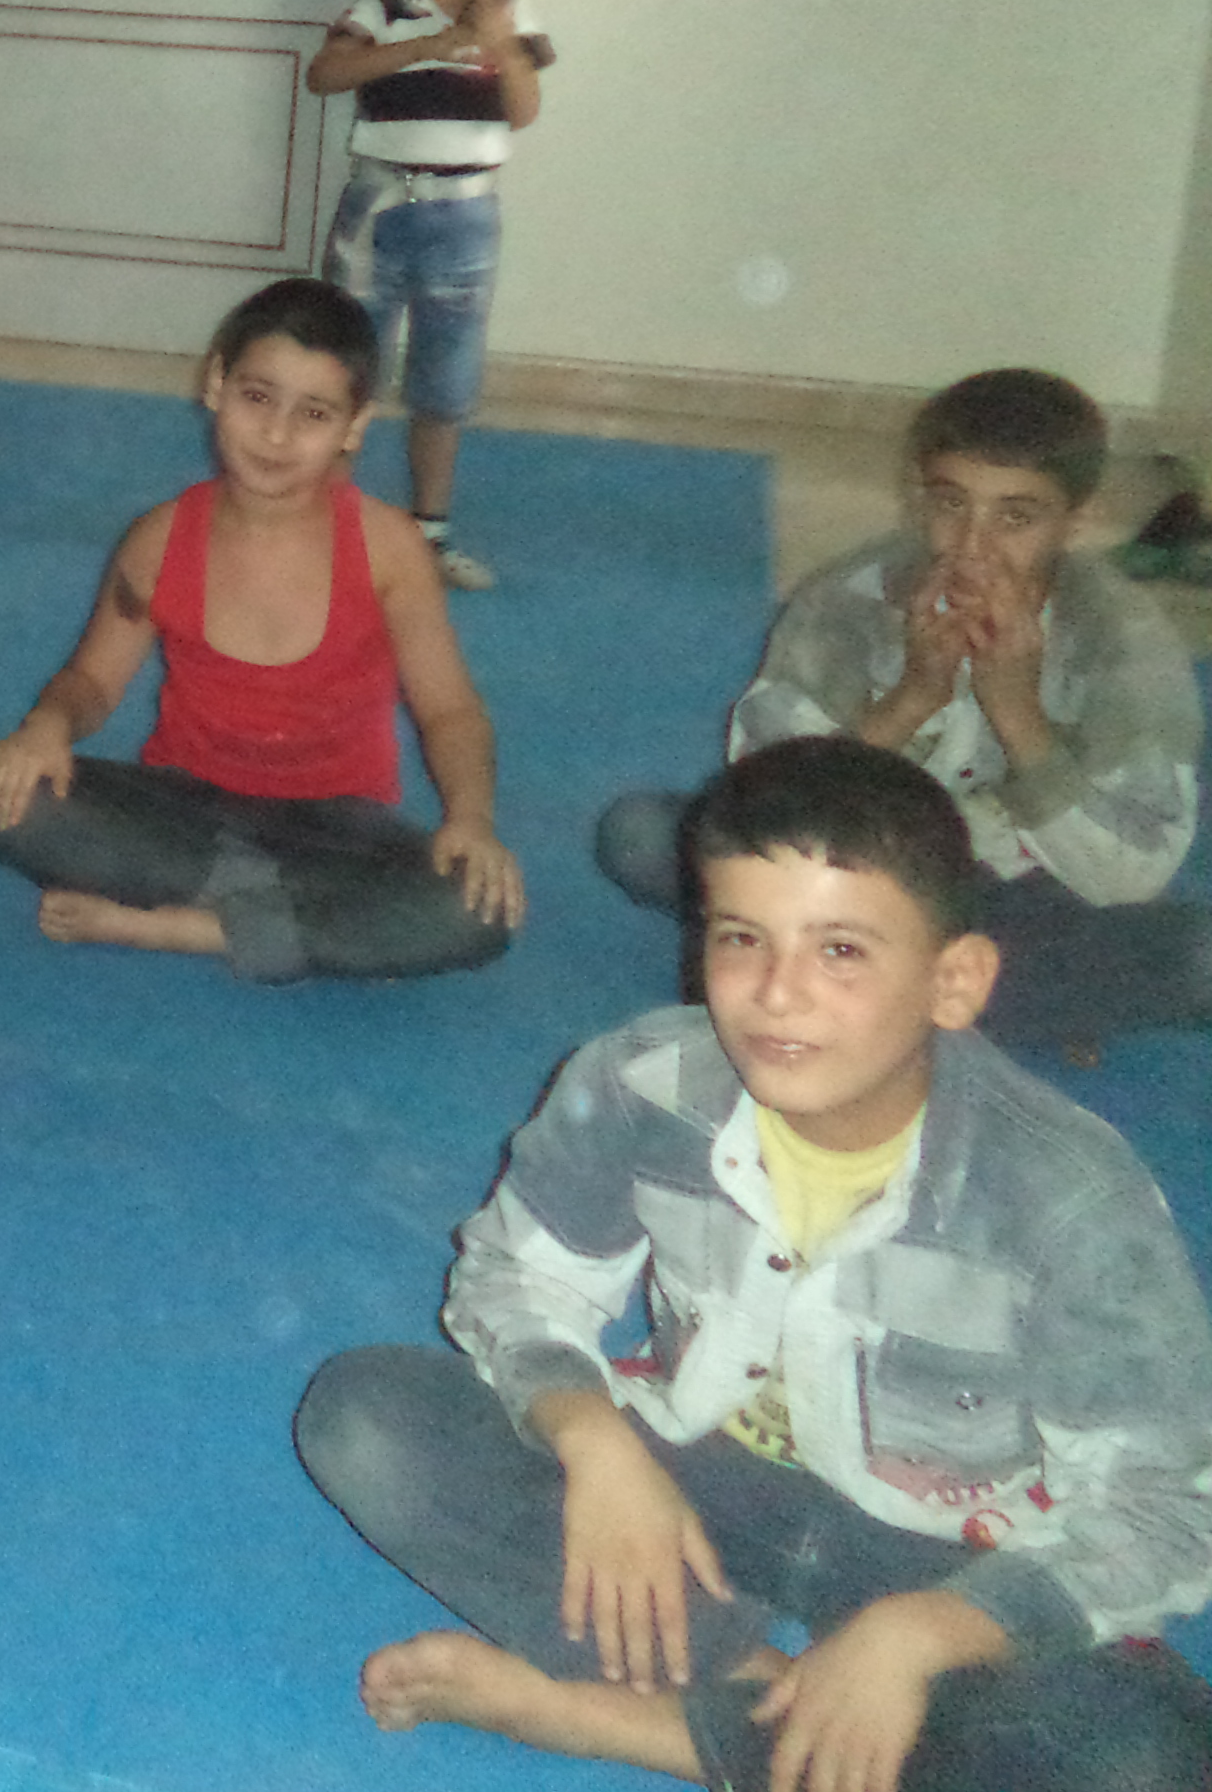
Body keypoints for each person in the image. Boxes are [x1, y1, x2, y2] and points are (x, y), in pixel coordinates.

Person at [297, 737, 1212, 1792]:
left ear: (954, 981)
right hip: (697, 1481)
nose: (777, 994)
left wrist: (918, 1634)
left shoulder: (1069, 1197)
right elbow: (516, 1280)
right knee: (366, 1423)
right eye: (742, 939)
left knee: (1145, 1763)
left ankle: (621, 1721)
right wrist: (593, 1441)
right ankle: (772, 1698)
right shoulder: (644, 1082)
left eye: (841, 952)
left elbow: (1169, 1507)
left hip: (948, 1546)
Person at [596, 367, 1208, 1055]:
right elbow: (763, 809)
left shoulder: (1123, 642)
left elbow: (1131, 874)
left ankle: (876, 983)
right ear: (918, 496)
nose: (973, 546)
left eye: (1015, 517)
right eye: (951, 505)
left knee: (1200, 957)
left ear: (1077, 520)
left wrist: (1018, 716)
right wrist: (911, 699)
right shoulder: (848, 602)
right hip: (855, 871)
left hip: (1018, 896)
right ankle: (955, 996)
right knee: (640, 836)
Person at [0, 276, 521, 981]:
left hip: (337, 832)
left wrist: (471, 820)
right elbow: (92, 682)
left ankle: (196, 927)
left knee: (477, 911)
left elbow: (450, 710)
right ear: (215, 384)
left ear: (355, 426)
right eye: (257, 398)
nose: (277, 434)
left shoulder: (389, 550)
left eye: (314, 413)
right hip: (183, 809)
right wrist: (47, 725)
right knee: (12, 802)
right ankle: (277, 920)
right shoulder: (158, 541)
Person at [303, 0, 548, 590]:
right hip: (377, 208)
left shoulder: (511, 8)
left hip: (465, 218)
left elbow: (523, 111)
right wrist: (428, 44)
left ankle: (427, 535)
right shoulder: (382, 7)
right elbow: (325, 74)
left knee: (446, 384)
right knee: (347, 372)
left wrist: (498, 47)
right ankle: (322, 528)